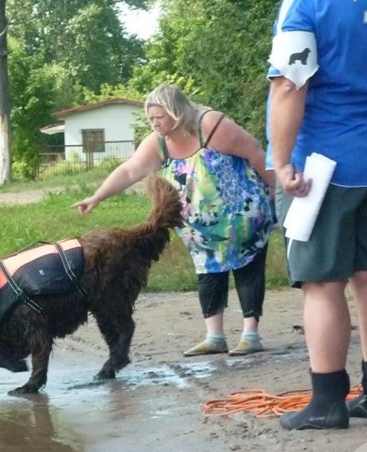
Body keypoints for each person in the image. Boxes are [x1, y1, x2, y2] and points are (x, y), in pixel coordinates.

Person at [73, 83, 276, 357]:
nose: (154, 123)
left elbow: (255, 152)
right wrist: (96, 197)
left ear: (177, 112)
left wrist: (276, 189)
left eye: (159, 117)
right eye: (151, 118)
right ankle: (214, 337)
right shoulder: (158, 142)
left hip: (243, 216)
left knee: (247, 269)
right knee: (208, 274)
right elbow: (130, 170)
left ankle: (250, 334)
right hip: (201, 230)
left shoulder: (211, 125)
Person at [267, 0, 367, 430]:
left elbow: (288, 85)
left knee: (321, 283)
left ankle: (327, 400)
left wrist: (280, 162)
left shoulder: (308, 5)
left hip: (323, 167)